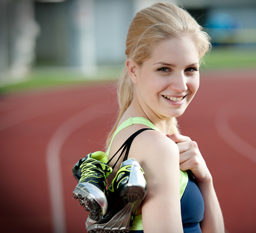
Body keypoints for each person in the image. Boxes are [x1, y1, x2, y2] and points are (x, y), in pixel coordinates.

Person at [73, 2, 224, 233]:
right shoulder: (157, 147)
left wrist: (205, 180)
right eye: (164, 69)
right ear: (133, 70)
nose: (181, 85)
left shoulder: (130, 133)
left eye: (190, 69)